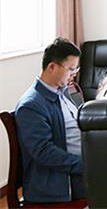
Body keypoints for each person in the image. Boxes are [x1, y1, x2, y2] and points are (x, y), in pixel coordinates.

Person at [14, 38, 85, 203]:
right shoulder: (31, 105)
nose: (74, 74)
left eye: (76, 69)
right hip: (60, 181)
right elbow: (43, 152)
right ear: (52, 66)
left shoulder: (62, 91)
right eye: (71, 69)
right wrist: (85, 165)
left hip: (77, 167)